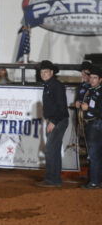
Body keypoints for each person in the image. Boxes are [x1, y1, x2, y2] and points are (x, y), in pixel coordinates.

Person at [35, 60, 69, 188]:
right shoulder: (50, 85)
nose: (43, 74)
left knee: (50, 150)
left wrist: (53, 121)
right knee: (53, 150)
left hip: (58, 121)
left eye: (45, 72)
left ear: (51, 72)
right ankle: (54, 178)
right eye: (41, 72)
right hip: (56, 120)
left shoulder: (56, 86)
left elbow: (61, 107)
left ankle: (51, 179)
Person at [80, 65, 102, 189]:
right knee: (95, 153)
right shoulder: (91, 90)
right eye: (91, 77)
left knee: (94, 154)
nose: (92, 80)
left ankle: (94, 181)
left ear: (100, 80)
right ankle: (96, 180)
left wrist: (89, 108)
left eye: (95, 78)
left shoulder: (99, 92)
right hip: (92, 124)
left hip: (97, 124)